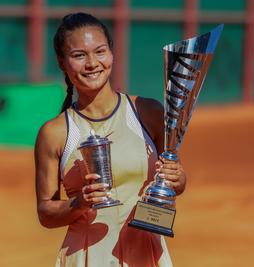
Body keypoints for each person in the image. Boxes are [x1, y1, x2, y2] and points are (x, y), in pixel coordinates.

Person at [35, 12, 187, 267]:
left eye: (99, 51)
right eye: (78, 55)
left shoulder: (148, 113)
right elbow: (45, 212)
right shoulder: (54, 133)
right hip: (87, 257)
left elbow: (175, 183)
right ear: (62, 63)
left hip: (147, 255)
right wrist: (79, 203)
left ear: (112, 54)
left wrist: (178, 178)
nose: (92, 63)